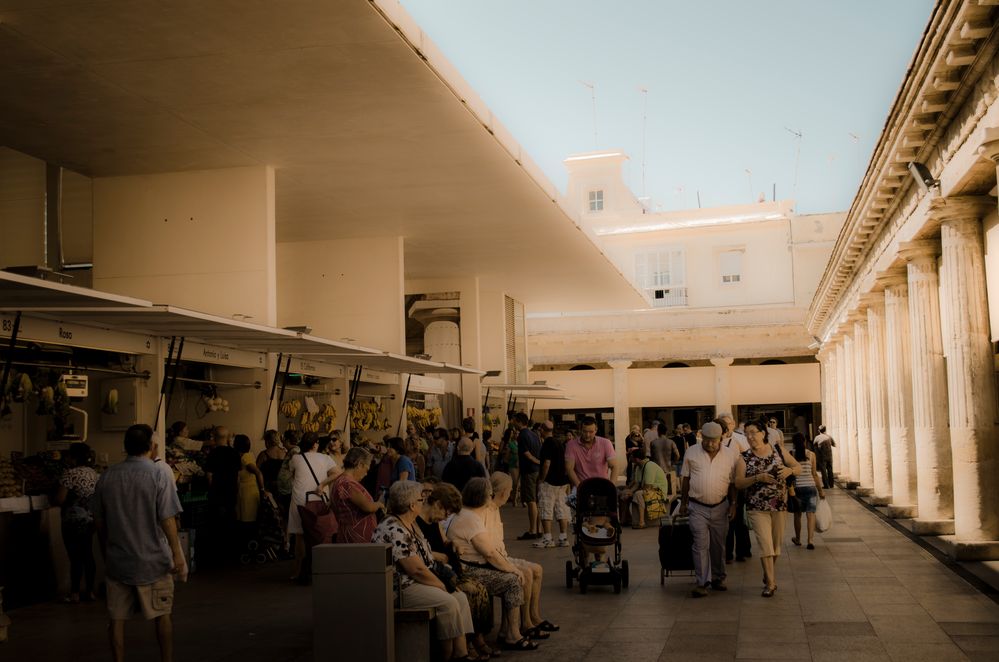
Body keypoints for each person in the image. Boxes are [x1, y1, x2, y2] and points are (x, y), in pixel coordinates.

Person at [92, 424, 186, 662]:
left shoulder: (107, 476)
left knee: (116, 620)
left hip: (118, 562)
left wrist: (106, 553)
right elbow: (168, 519)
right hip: (154, 561)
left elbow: (100, 523)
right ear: (150, 446)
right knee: (163, 615)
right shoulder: (158, 475)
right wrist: (177, 554)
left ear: (125, 447)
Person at [371, 482, 475, 661]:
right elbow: (415, 570)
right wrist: (440, 585)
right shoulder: (392, 527)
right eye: (421, 499)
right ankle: (446, 656)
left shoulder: (409, 523)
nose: (423, 501)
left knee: (460, 598)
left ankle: (461, 653)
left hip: (414, 583)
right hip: (401, 589)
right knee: (448, 602)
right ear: (412, 505)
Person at [445, 478, 537, 651]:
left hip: (470, 565)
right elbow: (489, 553)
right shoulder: (470, 518)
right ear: (483, 497)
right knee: (512, 581)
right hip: (468, 569)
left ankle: (509, 630)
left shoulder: (466, 514)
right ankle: (512, 634)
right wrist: (514, 569)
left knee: (512, 577)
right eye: (489, 494)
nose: (491, 497)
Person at [416, 481, 497, 659]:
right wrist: (438, 556)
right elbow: (420, 552)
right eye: (447, 512)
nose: (446, 517)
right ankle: (470, 642)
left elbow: (444, 540)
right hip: (436, 570)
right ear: (438, 505)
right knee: (470, 592)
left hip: (447, 567)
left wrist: (452, 544)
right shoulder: (417, 521)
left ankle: (477, 639)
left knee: (479, 589)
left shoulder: (434, 520)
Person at [485, 472, 559, 640]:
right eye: (510, 491)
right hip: (495, 559)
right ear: (503, 492)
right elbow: (488, 549)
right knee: (525, 573)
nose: (511, 494)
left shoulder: (495, 509)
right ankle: (525, 623)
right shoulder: (487, 510)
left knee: (537, 569)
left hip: (502, 555)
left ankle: (534, 615)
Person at [734, 419, 801, 597]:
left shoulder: (778, 451)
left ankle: (767, 573)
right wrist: (758, 478)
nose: (749, 437)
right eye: (746, 433)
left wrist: (789, 471)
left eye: (753, 432)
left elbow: (797, 466)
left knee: (776, 544)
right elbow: (738, 482)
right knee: (765, 544)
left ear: (763, 433)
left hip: (780, 505)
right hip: (756, 507)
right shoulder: (744, 457)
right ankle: (771, 583)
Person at [678, 421, 740, 597]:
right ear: (701, 437)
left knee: (718, 546)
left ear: (721, 438)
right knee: (700, 545)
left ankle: (718, 578)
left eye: (714, 440)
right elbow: (685, 479)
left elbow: (733, 483)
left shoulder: (731, 455)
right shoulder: (691, 452)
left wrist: (733, 504)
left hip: (721, 507)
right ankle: (702, 582)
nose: (710, 444)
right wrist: (683, 503)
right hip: (697, 507)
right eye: (706, 440)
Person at [565, 416, 617, 569]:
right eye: (585, 431)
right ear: (580, 430)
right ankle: (585, 554)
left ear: (596, 430)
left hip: (602, 487)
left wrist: (611, 486)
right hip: (582, 486)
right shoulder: (571, 445)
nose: (588, 435)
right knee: (582, 518)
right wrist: (580, 487)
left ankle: (599, 556)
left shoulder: (605, 443)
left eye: (591, 432)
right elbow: (569, 469)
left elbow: (614, 465)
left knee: (602, 516)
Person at [287, 432, 338, 582]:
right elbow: (337, 473)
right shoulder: (325, 458)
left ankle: (298, 571)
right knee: (321, 534)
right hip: (319, 499)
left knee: (300, 536)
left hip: (301, 500)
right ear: (316, 444)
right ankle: (322, 569)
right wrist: (322, 484)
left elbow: (291, 473)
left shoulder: (295, 458)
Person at [55, 442, 98, 603]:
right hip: (90, 519)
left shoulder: (69, 474)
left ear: (72, 457)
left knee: (75, 557)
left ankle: (74, 593)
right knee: (88, 554)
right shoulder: (94, 473)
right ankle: (90, 591)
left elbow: (60, 499)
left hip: (72, 520)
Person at [331, 447, 385, 543]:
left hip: (349, 535)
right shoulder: (348, 484)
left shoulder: (340, 480)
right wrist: (379, 503)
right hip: (356, 538)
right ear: (359, 464)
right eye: (366, 469)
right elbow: (368, 507)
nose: (366, 474)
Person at [718, 415, 752, 563]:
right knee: (726, 521)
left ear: (733, 424)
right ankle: (728, 553)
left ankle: (742, 551)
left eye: (729, 423)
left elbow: (748, 457)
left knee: (738, 519)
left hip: (737, 484)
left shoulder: (740, 439)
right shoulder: (716, 440)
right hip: (722, 484)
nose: (727, 426)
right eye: (723, 423)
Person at [204, 425, 239, 564]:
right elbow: (237, 477)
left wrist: (212, 488)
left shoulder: (212, 454)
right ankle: (231, 553)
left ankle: (216, 555)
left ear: (215, 437)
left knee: (216, 524)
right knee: (230, 521)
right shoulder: (234, 453)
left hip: (216, 494)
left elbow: (209, 476)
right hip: (231, 493)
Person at [534, 422, 571, 549]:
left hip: (550, 481)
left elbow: (546, 463)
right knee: (561, 508)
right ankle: (563, 537)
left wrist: (541, 479)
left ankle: (547, 538)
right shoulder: (559, 443)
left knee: (546, 508)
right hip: (562, 481)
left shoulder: (547, 444)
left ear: (542, 430)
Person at [789, 432, 825, 549]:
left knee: (797, 515)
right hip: (810, 487)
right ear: (804, 442)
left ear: (793, 443)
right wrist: (820, 491)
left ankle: (798, 539)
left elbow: (790, 474)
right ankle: (810, 541)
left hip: (797, 488)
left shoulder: (791, 454)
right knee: (810, 514)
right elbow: (814, 474)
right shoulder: (811, 454)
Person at [621, 448, 670, 529]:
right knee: (624, 493)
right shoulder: (638, 467)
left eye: (631, 457)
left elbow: (648, 487)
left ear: (636, 459)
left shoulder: (649, 466)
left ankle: (641, 522)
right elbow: (637, 484)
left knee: (638, 494)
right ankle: (626, 519)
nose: (630, 459)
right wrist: (628, 492)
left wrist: (632, 493)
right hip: (649, 490)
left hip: (658, 492)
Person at [512, 412, 542, 540]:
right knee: (537, 501)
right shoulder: (534, 435)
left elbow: (526, 454)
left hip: (529, 471)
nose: (512, 423)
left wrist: (536, 461)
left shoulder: (522, 435)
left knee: (531, 501)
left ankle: (532, 530)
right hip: (537, 471)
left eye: (514, 421)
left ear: (519, 421)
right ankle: (539, 529)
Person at [234, 434, 267, 532]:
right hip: (244, 491)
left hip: (248, 493)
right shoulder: (246, 455)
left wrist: (262, 490)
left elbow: (258, 473)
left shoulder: (245, 458)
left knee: (248, 521)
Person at [256, 429, 286, 496]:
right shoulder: (285, 453)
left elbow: (256, 471)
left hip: (268, 488)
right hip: (282, 487)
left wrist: (262, 489)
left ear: (268, 441)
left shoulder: (263, 454)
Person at [649, 422, 680, 487]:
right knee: (668, 489)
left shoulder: (653, 443)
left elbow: (651, 457)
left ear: (658, 431)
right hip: (668, 468)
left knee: (658, 490)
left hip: (657, 470)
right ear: (666, 432)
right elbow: (677, 455)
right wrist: (673, 462)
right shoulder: (671, 442)